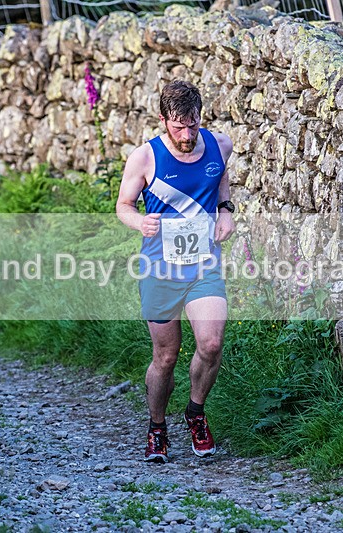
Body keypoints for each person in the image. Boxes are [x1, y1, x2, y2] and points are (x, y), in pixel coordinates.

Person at [116, 80, 236, 463]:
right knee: (165, 357)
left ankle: (195, 413)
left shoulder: (220, 145)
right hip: (159, 270)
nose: (186, 135)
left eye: (193, 125)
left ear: (202, 116)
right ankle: (157, 427)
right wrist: (139, 224)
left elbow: (219, 177)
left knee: (212, 344)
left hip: (204, 266)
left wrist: (227, 210)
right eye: (178, 126)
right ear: (163, 120)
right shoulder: (145, 158)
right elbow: (123, 205)